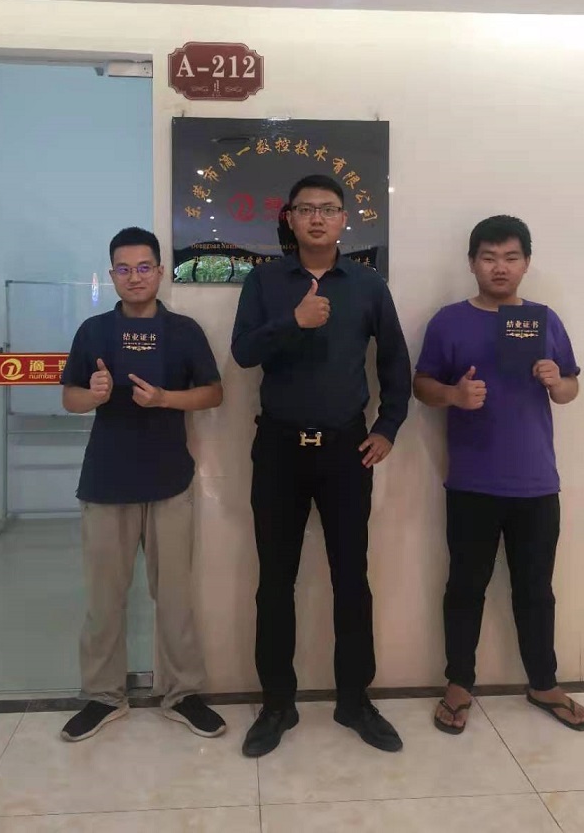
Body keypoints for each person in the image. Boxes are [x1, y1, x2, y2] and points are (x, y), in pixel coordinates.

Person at [232, 174, 412, 757]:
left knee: (351, 576)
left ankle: (354, 700)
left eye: (328, 209)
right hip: (279, 449)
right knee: (274, 580)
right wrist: (295, 321)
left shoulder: (367, 284)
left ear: (343, 220)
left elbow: (395, 362)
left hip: (345, 449)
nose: (316, 218)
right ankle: (277, 704)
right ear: (288, 217)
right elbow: (243, 352)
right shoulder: (264, 280)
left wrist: (387, 427)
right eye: (306, 209)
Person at [413, 215, 584, 734]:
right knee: (464, 587)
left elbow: (571, 388)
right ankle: (458, 684)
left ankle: (543, 683)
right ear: (472, 262)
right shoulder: (449, 321)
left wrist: (557, 382)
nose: (500, 267)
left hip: (537, 483)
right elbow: (422, 384)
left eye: (511, 257)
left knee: (536, 589)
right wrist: (453, 395)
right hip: (472, 482)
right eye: (489, 257)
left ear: (526, 263)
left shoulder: (544, 320)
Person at [59, 226, 226, 742]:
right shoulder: (93, 332)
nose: (134, 277)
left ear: (159, 271)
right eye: (124, 269)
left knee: (174, 597)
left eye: (144, 267)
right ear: (112, 275)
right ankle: (103, 696)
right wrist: (94, 394)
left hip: (169, 481)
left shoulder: (184, 331)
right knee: (104, 600)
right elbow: (70, 398)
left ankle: (182, 693)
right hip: (105, 482)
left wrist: (164, 400)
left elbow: (213, 393)